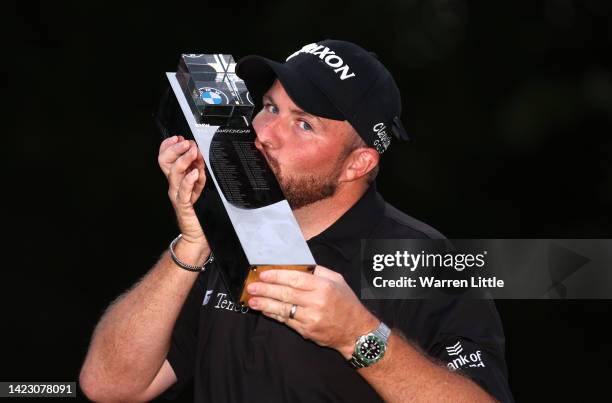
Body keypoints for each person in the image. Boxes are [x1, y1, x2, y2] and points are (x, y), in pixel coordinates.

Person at [80, 39, 513, 402]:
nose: (264, 133)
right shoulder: (229, 236)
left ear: (356, 164)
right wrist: (192, 244)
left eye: (304, 125)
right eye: (269, 107)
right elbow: (108, 386)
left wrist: (359, 338)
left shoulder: (424, 259)